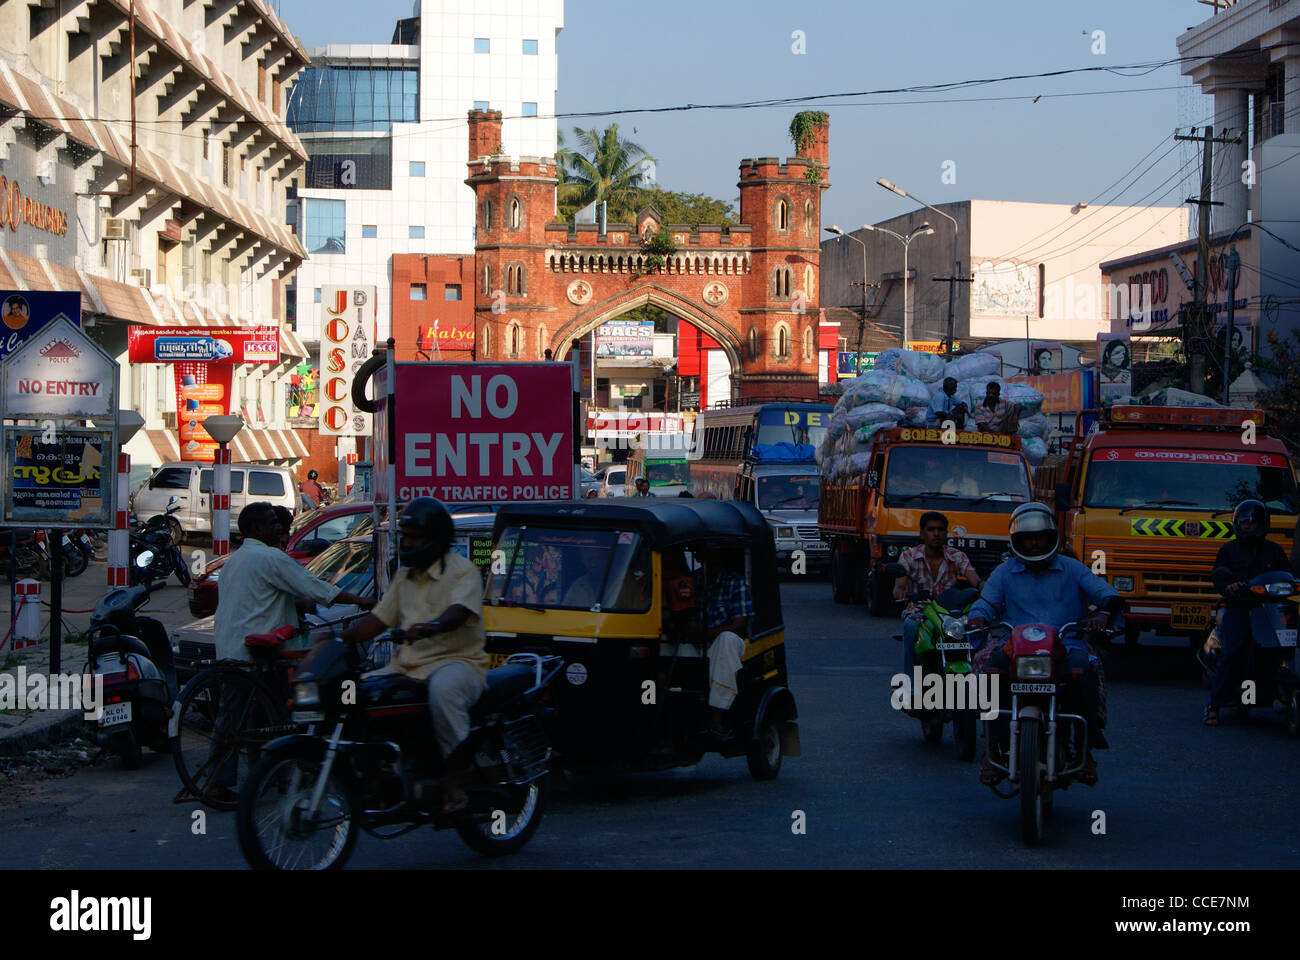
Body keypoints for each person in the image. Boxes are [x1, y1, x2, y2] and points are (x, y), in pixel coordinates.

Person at [209, 502, 370, 801]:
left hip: (231, 648)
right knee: (277, 718)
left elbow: (259, 598)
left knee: (237, 718)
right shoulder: (270, 557)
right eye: (272, 523)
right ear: (257, 529)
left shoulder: (236, 560)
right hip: (258, 653)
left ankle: (238, 779)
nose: (279, 528)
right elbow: (315, 586)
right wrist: (363, 603)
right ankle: (276, 776)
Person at [342, 498, 488, 813]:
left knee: (443, 693)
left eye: (415, 537)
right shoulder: (404, 576)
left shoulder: (463, 572)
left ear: (436, 537)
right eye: (405, 536)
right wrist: (340, 638)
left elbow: (459, 613)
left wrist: (430, 627)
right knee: (355, 694)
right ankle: (375, 777)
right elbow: (379, 619)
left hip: (457, 663)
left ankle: (455, 781)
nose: (407, 543)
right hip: (407, 666)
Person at [967, 502, 1123, 786]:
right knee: (989, 672)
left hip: (1067, 643)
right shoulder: (1004, 572)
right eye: (1029, 537)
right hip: (1014, 645)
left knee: (1085, 673)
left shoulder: (1073, 569)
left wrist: (1102, 613)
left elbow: (1108, 595)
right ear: (1017, 540)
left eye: (1040, 536)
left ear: (1052, 538)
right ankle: (992, 750)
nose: (1035, 542)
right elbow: (987, 602)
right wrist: (977, 618)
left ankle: (1086, 752)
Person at [1205, 499, 1290, 726]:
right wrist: (1229, 586)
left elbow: (1288, 576)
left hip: (1269, 610)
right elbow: (1218, 577)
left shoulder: (1275, 551)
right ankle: (1214, 704)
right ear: (1237, 525)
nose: (1248, 527)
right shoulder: (1228, 550)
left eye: (1253, 523)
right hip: (1239, 608)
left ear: (1263, 524)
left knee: (1284, 650)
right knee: (1231, 653)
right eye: (1244, 523)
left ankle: (1282, 695)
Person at [893, 512, 983, 680]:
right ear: (922, 533)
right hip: (920, 612)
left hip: (950, 614)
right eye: (931, 529)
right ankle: (911, 683)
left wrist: (983, 587)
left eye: (940, 530)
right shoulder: (909, 556)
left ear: (946, 533)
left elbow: (973, 577)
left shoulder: (957, 556)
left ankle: (980, 679)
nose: (936, 534)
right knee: (910, 627)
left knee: (980, 628)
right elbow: (899, 586)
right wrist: (901, 591)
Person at [699, 546, 753, 738]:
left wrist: (707, 633)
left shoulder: (734, 582)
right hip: (699, 642)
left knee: (726, 641)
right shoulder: (695, 581)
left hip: (725, 640)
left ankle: (717, 716)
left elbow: (739, 625)